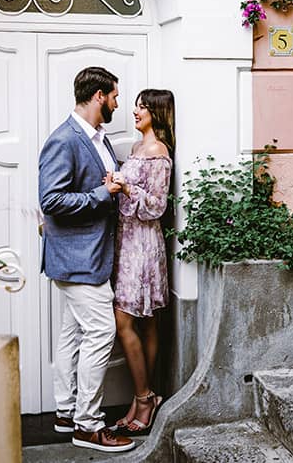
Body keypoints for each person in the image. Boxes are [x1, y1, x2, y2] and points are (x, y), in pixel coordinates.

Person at [38, 66, 134, 453]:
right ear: (98, 96)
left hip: (86, 255)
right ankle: (89, 426)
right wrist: (102, 193)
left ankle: (65, 412)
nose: (116, 102)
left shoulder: (99, 138)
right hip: (79, 259)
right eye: (113, 95)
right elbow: (52, 200)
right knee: (100, 333)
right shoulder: (64, 139)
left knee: (72, 334)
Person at [109, 88, 175, 436]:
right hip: (127, 240)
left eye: (142, 106)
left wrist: (127, 189)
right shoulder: (136, 149)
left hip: (145, 245)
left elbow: (157, 206)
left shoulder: (158, 152)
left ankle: (145, 397)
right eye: (135, 104)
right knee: (144, 322)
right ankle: (142, 398)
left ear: (157, 113)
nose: (135, 110)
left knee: (129, 321)